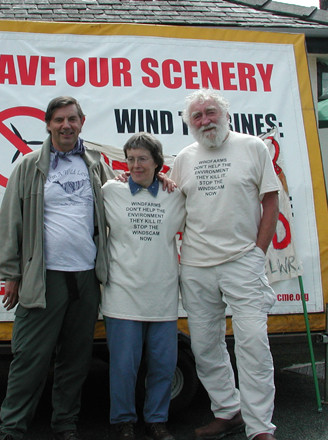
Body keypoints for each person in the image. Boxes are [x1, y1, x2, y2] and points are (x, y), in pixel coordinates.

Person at [0, 96, 114, 440]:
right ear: (48, 124)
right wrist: (12, 274)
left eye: (72, 119)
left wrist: (159, 183)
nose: (66, 125)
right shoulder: (29, 166)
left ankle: (65, 424)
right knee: (29, 357)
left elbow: (123, 197)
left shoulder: (95, 164)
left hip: (86, 277)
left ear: (82, 122)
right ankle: (12, 428)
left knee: (76, 359)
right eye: (59, 120)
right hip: (42, 278)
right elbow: (9, 222)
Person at [171, 89, 280, 440]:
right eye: (197, 116)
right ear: (190, 124)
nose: (205, 120)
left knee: (253, 343)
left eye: (210, 112)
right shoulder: (184, 158)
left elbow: (271, 201)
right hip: (196, 266)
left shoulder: (252, 147)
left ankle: (261, 427)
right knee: (204, 345)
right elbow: (169, 200)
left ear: (224, 113)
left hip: (242, 263)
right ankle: (228, 411)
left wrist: (257, 254)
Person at [101, 133, 185, 440]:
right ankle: (124, 421)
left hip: (162, 294)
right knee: (124, 366)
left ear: (157, 162)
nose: (136, 165)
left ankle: (157, 420)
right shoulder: (111, 190)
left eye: (143, 159)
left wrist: (168, 181)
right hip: (122, 293)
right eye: (131, 159)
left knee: (164, 365)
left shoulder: (175, 195)